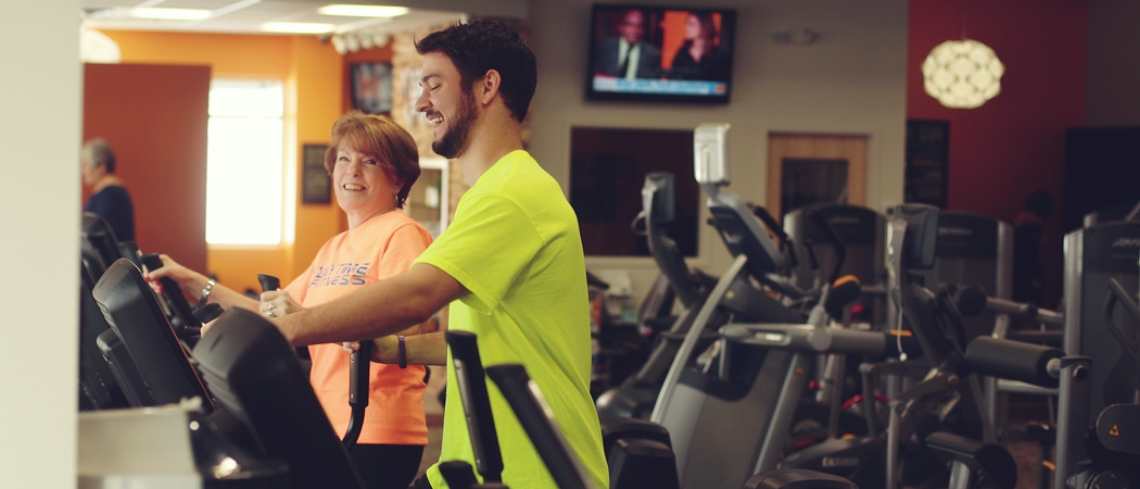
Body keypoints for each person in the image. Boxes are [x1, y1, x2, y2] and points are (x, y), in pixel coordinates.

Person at [257, 20, 610, 489]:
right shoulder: (491, 193)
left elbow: (417, 294)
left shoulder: (513, 193)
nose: (422, 102)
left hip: (534, 468)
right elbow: (482, 339)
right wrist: (395, 349)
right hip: (476, 461)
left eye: (434, 85)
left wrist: (288, 329)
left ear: (487, 86)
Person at [149, 113, 431, 489]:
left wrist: (304, 317)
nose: (352, 172)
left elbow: (406, 320)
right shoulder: (336, 247)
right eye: (344, 159)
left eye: (370, 161)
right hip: (328, 420)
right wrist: (195, 282)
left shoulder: (403, 233)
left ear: (398, 177)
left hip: (377, 425)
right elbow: (275, 315)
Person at [82, 138, 135, 241]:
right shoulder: (106, 194)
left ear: (101, 167)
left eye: (85, 165)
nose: (82, 172)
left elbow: (94, 234)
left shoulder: (111, 196)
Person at [595, 8, 661, 80]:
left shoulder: (652, 53)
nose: (635, 30)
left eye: (639, 26)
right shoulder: (605, 47)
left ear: (643, 30)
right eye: (630, 25)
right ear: (621, 27)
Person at [668, 12, 730, 81]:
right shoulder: (682, 52)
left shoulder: (719, 54)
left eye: (691, 24)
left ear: (704, 26)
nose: (686, 27)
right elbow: (672, 79)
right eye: (686, 23)